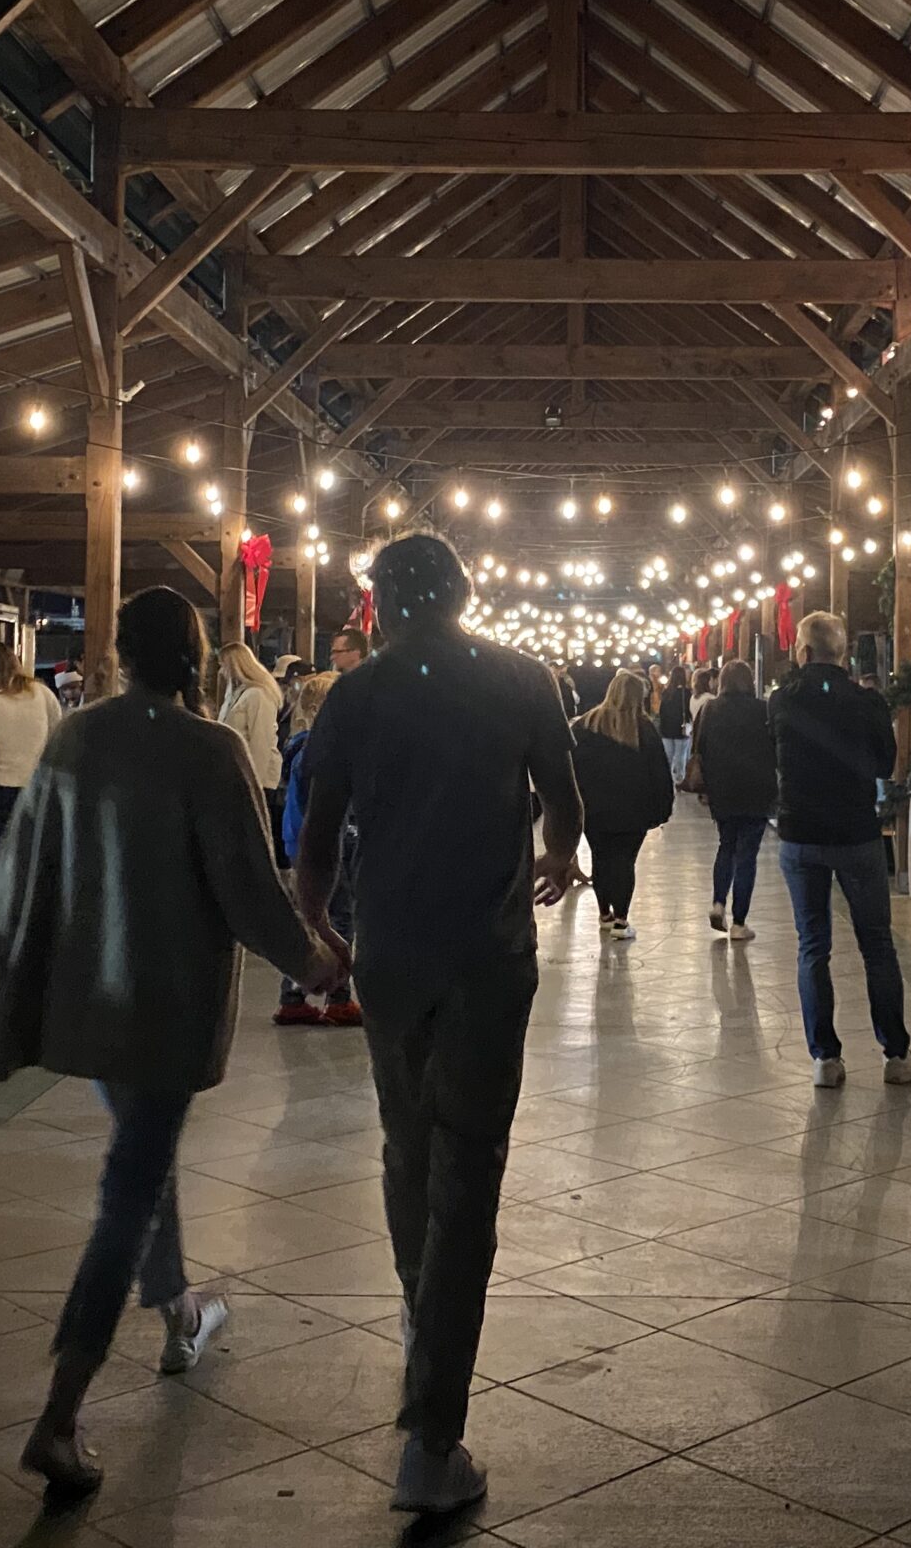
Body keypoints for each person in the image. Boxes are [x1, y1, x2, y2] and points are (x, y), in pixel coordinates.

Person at [0, 588, 347, 1504]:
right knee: (129, 1191)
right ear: (194, 659)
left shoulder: (76, 739)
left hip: (87, 1000)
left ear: (120, 650)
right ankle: (60, 1415)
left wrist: (10, 991)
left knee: (143, 1157)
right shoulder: (208, 750)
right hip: (166, 1002)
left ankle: (182, 1309)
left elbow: (23, 869)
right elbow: (246, 886)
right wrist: (314, 961)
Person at [294, 534, 583, 1517]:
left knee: (406, 1155)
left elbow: (318, 832)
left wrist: (322, 924)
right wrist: (556, 855)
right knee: (469, 1170)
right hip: (489, 961)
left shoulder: (356, 695)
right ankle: (429, 1434)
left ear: (377, 602)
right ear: (465, 594)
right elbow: (564, 801)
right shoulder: (522, 678)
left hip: (394, 956)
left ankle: (426, 1349)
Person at [770, 611, 911, 1088]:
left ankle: (825, 1059)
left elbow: (771, 754)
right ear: (843, 653)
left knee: (812, 945)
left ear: (802, 652)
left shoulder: (782, 701)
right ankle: (896, 1054)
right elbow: (885, 761)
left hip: (800, 834)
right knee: (876, 943)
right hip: (857, 834)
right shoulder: (867, 702)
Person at [275, 671, 360, 1027]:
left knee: (309, 917)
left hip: (296, 839)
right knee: (339, 915)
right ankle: (337, 994)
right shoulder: (321, 752)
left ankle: (294, 993)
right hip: (325, 843)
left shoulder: (297, 746)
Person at [571, 669, 676, 942]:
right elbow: (660, 773)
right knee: (625, 863)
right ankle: (621, 919)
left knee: (600, 859)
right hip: (634, 810)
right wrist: (664, 807)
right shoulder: (643, 729)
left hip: (593, 810)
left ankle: (604, 914)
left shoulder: (585, 725)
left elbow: (572, 768)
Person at [691, 658, 776, 941]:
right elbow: (775, 747)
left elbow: (698, 746)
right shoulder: (763, 710)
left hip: (722, 789)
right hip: (757, 790)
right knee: (747, 856)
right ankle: (739, 923)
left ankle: (718, 902)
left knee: (726, 846)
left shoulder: (710, 709)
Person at [0, 641, 63, 860]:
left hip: (0, 786)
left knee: (2, 855)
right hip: (37, 784)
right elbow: (58, 732)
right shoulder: (42, 692)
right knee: (34, 852)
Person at [216, 642, 284, 808]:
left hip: (258, 780)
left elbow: (261, 742)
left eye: (224, 666)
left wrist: (254, 785)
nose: (222, 672)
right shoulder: (236, 694)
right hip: (240, 774)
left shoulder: (258, 695)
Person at [656, 667, 694, 788]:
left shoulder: (666, 692)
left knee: (668, 755)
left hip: (666, 729)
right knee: (680, 755)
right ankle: (679, 779)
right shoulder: (687, 693)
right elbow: (689, 711)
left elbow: (661, 712)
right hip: (681, 729)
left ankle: (668, 779)